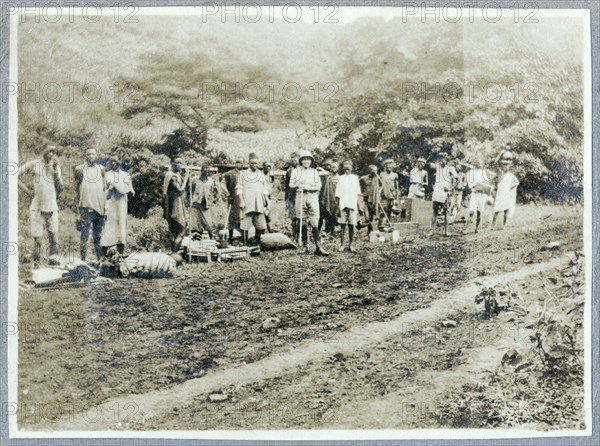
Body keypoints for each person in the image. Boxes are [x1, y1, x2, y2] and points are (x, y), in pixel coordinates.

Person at [18, 145, 63, 266]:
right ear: (43, 151)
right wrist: (28, 191)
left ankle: (53, 263)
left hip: (52, 207)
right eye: (49, 151)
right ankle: (36, 264)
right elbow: (15, 175)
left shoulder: (56, 166)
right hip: (37, 207)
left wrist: (55, 173)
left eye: (53, 152)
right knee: (38, 239)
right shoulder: (34, 164)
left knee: (54, 237)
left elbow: (60, 189)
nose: (51, 154)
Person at [289, 150, 329, 256]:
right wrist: (297, 184)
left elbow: (318, 187)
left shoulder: (314, 172)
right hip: (300, 196)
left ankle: (318, 246)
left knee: (314, 222)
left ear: (311, 161)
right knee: (302, 221)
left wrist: (307, 187)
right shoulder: (296, 171)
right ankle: (305, 246)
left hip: (312, 197)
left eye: (308, 159)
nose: (306, 161)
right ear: (301, 161)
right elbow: (291, 185)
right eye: (304, 159)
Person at [75, 148, 106, 261]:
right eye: (89, 154)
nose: (91, 156)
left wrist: (105, 206)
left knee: (97, 235)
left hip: (99, 207)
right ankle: (83, 260)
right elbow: (77, 189)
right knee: (85, 234)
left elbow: (104, 188)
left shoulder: (101, 169)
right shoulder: (80, 169)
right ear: (86, 156)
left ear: (96, 155)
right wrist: (77, 207)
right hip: (85, 206)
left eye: (93, 154)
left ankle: (99, 259)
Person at [100, 155, 135, 255]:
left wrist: (126, 189)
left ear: (119, 163)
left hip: (121, 204)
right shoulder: (107, 175)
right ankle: (104, 251)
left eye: (115, 162)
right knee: (109, 225)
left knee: (121, 225)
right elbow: (103, 190)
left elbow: (132, 190)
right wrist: (110, 190)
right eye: (111, 162)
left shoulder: (125, 175)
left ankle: (120, 252)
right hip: (111, 204)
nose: (113, 164)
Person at [236, 153, 270, 246]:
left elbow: (265, 188)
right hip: (247, 202)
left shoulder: (261, 174)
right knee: (245, 224)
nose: (255, 165)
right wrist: (241, 200)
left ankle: (257, 243)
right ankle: (245, 244)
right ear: (249, 163)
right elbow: (239, 188)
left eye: (256, 163)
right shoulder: (243, 174)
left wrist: (267, 200)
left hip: (259, 202)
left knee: (260, 223)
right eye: (253, 163)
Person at [163, 157, 189, 252]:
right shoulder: (172, 176)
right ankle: (174, 253)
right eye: (177, 162)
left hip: (176, 206)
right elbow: (180, 190)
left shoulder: (176, 175)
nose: (179, 165)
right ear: (172, 164)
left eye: (181, 163)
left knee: (175, 232)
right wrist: (186, 178)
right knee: (182, 231)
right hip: (175, 207)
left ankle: (174, 252)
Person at [335, 160, 361, 253]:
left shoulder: (355, 178)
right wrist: (338, 207)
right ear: (343, 169)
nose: (347, 170)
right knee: (342, 225)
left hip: (352, 204)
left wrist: (358, 206)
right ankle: (342, 245)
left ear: (352, 168)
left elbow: (357, 193)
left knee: (351, 225)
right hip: (343, 204)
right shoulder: (340, 178)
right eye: (345, 169)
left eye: (348, 169)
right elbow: (337, 194)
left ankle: (351, 245)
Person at [462, 158, 494, 234]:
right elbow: (470, 185)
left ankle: (477, 228)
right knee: (471, 212)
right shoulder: (470, 173)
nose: (478, 164)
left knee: (480, 212)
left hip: (482, 195)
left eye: (479, 163)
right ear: (473, 164)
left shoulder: (482, 172)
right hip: (475, 194)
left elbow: (486, 182)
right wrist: (477, 187)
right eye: (476, 163)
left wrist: (486, 187)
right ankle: (466, 229)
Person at [429, 152, 458, 237]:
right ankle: (432, 230)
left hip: (445, 192)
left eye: (443, 159)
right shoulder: (437, 166)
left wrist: (450, 188)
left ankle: (446, 231)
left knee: (446, 212)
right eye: (440, 159)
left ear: (446, 160)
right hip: (437, 191)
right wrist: (433, 153)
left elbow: (457, 179)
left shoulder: (450, 168)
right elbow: (428, 164)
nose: (441, 161)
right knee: (434, 211)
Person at [492, 150, 519, 230]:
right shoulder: (500, 173)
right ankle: (493, 226)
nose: (505, 167)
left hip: (506, 194)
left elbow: (516, 183)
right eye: (504, 166)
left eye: (507, 166)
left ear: (509, 167)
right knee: (496, 211)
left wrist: (510, 190)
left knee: (506, 211)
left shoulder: (511, 175)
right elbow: (495, 163)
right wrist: (501, 153)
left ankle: (504, 225)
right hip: (500, 194)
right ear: (502, 167)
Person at [190, 165, 217, 238]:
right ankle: (197, 238)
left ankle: (211, 237)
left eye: (208, 171)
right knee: (196, 225)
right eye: (205, 171)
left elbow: (212, 191)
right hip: (196, 204)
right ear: (201, 171)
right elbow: (190, 190)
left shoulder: (211, 181)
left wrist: (211, 200)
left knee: (208, 223)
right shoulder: (194, 180)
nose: (206, 172)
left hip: (206, 205)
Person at [222, 159, 243, 241]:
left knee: (241, 216)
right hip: (232, 197)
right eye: (237, 163)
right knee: (231, 217)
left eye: (240, 163)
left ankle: (242, 236)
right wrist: (228, 195)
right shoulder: (229, 174)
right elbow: (223, 185)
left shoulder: (244, 174)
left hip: (241, 198)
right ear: (235, 164)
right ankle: (230, 236)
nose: (239, 164)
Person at [319, 161, 339, 236]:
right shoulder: (328, 177)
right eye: (332, 167)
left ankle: (333, 231)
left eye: (335, 167)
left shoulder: (338, 178)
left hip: (334, 199)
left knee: (333, 214)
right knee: (327, 214)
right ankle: (327, 230)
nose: (333, 168)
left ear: (338, 168)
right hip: (327, 198)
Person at [359, 165, 381, 234]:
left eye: (376, 170)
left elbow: (382, 185)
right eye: (373, 170)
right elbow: (358, 185)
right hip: (366, 199)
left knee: (372, 216)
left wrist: (379, 192)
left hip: (374, 199)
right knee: (367, 216)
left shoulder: (377, 178)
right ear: (369, 171)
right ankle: (361, 225)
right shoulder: (364, 178)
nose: (375, 172)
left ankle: (370, 231)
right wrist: (362, 193)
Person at [284, 152, 300, 241]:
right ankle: (295, 236)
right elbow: (286, 186)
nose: (294, 162)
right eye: (292, 160)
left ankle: (300, 234)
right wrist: (286, 199)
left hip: (300, 196)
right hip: (292, 197)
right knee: (293, 217)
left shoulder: (301, 170)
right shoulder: (289, 171)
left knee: (300, 216)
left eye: (295, 160)